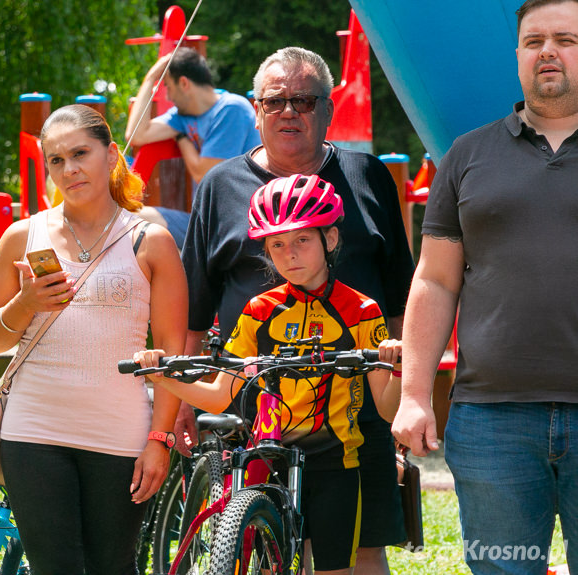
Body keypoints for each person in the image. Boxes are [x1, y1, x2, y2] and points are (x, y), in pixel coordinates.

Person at [181, 47, 416, 574]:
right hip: (259, 407)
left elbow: (402, 297)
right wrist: (176, 409)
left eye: (305, 100)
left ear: (327, 110)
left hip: (359, 405)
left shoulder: (367, 174)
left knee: (360, 548)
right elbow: (195, 308)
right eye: (276, 100)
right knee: (262, 546)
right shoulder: (220, 186)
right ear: (255, 109)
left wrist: (408, 397)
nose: (290, 111)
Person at [136, 175, 403, 574]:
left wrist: (395, 367)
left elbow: (386, 409)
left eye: (302, 241)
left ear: (329, 239)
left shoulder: (361, 310)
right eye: (277, 244)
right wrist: (161, 377)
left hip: (337, 465)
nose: (289, 254)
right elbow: (220, 394)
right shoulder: (259, 310)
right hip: (269, 458)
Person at [392, 1, 578, 573]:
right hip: (493, 424)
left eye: (566, 39)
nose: (547, 51)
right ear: (518, 56)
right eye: (533, 41)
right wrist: (415, 394)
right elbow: (435, 279)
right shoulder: (467, 156)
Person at [0, 104, 187, 574]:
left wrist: (160, 439)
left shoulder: (152, 241)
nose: (68, 169)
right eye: (55, 160)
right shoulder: (21, 236)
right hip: (33, 431)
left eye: (80, 153)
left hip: (121, 435)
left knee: (113, 566)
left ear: (111, 155)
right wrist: (25, 304)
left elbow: (171, 355)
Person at [125, 47, 261, 185]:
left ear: (184, 83)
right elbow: (135, 135)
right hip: (209, 205)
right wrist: (150, 78)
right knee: (139, 208)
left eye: (169, 87)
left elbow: (204, 175)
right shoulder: (182, 115)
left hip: (243, 205)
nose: (168, 97)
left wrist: (181, 138)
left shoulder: (232, 109)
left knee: (142, 208)